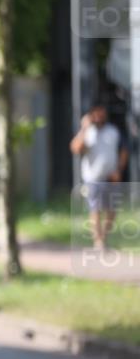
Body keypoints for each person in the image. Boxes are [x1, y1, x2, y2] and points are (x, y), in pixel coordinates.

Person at [70, 102, 129, 250]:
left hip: (111, 177)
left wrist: (119, 170)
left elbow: (124, 151)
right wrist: (84, 128)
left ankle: (104, 237)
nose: (99, 117)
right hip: (93, 178)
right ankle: (98, 241)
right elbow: (76, 148)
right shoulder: (87, 133)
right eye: (95, 114)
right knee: (95, 209)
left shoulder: (113, 131)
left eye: (101, 113)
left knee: (111, 210)